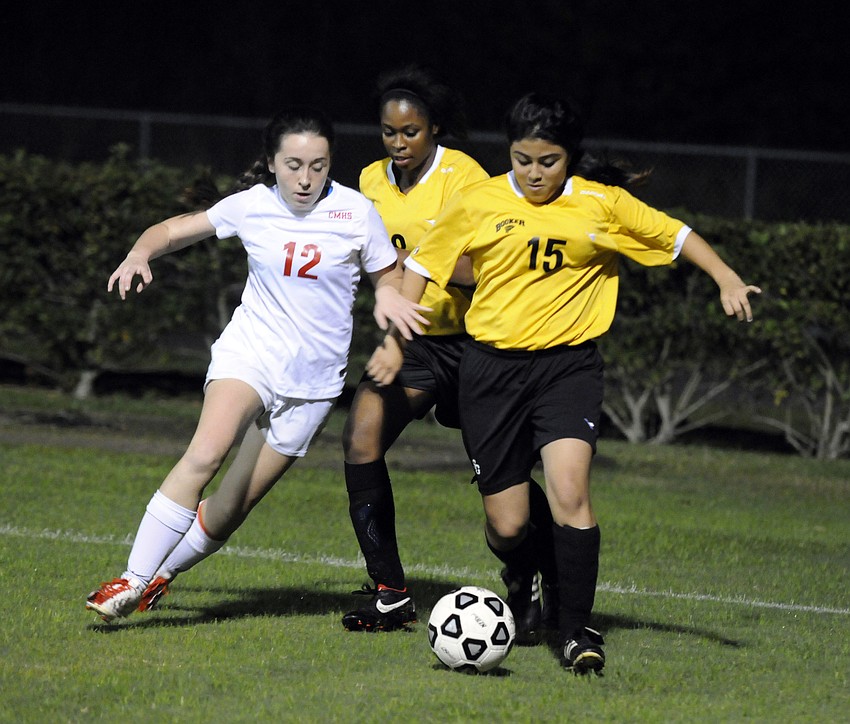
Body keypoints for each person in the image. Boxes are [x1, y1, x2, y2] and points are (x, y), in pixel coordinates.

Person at [366, 92, 761, 674]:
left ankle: (576, 629)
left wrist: (728, 278)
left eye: (548, 161)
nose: (534, 173)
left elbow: (676, 235)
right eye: (523, 159)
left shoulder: (601, 203)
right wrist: (395, 344)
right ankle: (521, 574)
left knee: (570, 492)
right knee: (508, 524)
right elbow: (421, 270)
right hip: (491, 372)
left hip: (567, 370)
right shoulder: (479, 200)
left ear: (569, 157)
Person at [85, 106, 426, 622]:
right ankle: (129, 580)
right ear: (271, 162)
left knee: (229, 509)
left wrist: (387, 300)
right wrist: (140, 252)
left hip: (313, 384)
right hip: (251, 355)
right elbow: (175, 230)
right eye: (293, 165)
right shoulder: (251, 205)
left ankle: (158, 577)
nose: (305, 178)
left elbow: (389, 276)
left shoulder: (356, 212)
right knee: (206, 452)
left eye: (318, 165)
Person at [338, 65, 558, 638]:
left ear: (433, 128)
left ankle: (532, 572)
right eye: (389, 132)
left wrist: (435, 263)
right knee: (361, 438)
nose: (399, 143)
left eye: (410, 132)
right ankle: (390, 593)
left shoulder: (463, 175)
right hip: (414, 346)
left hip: (476, 345)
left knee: (501, 481)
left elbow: (488, 257)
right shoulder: (369, 181)